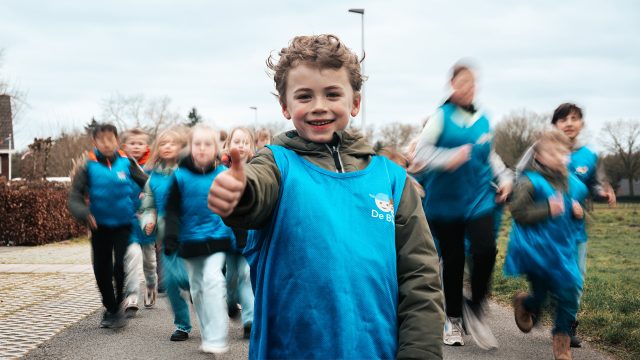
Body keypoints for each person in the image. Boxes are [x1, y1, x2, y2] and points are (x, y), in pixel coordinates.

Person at [208, 34, 444, 359]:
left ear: (355, 102)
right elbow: (255, 192)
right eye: (304, 96)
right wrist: (240, 194)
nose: (319, 105)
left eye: (332, 93)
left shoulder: (392, 180)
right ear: (285, 106)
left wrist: (421, 352)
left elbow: (420, 274)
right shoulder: (275, 164)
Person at [409, 63, 513, 348]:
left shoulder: (482, 119)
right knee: (453, 261)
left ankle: (476, 307)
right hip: (445, 202)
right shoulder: (440, 117)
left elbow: (490, 155)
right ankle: (452, 320)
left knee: (485, 249)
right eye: (463, 82)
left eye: (473, 82)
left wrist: (504, 177)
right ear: (452, 85)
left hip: (478, 197)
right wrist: (448, 158)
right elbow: (421, 153)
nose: (469, 87)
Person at [505, 130, 588, 360]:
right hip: (537, 252)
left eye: (563, 152)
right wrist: (547, 209)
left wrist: (580, 214)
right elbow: (518, 212)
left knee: (570, 290)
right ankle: (526, 302)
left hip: (563, 252)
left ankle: (561, 340)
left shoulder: (575, 185)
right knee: (542, 296)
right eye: (552, 152)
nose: (559, 157)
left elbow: (582, 214)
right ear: (539, 157)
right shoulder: (530, 182)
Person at [68, 123, 148, 328]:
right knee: (101, 269)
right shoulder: (88, 165)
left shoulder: (126, 162)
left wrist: (152, 198)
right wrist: (84, 213)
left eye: (111, 139)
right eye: (102, 140)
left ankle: (115, 309)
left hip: (124, 224)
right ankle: (111, 307)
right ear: (95, 142)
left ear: (116, 141)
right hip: (99, 226)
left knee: (120, 266)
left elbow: (147, 183)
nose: (107, 144)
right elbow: (75, 197)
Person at [164, 124, 235, 354]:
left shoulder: (223, 175)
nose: (202, 149)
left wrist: (241, 237)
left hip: (218, 237)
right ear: (190, 148)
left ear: (216, 149)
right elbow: (172, 210)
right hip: (190, 241)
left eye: (207, 144)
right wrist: (171, 236)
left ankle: (217, 336)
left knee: (213, 280)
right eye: (197, 144)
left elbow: (234, 208)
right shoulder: (179, 177)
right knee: (197, 288)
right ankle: (207, 333)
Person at [551, 103, 616, 346]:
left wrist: (604, 192)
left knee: (576, 279)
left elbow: (595, 183)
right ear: (554, 124)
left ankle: (567, 327)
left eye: (574, 118)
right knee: (552, 276)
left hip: (576, 229)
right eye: (563, 119)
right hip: (547, 228)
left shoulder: (589, 155)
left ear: (582, 124)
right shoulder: (544, 150)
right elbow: (526, 180)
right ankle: (533, 302)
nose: (569, 123)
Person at [139, 127, 193, 342]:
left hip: (190, 233)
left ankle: (199, 290)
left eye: (172, 143)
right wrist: (148, 221)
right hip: (165, 237)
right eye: (163, 143)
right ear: (157, 149)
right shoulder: (152, 177)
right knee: (171, 282)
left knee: (190, 278)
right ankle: (182, 325)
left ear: (182, 147)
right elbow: (147, 205)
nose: (167, 147)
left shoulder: (188, 172)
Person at [221, 126, 256, 339]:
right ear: (229, 145)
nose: (241, 146)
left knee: (245, 276)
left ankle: (249, 321)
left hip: (249, 237)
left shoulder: (258, 172)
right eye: (237, 141)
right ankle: (229, 300)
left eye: (245, 142)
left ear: (251, 148)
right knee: (230, 278)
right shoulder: (222, 173)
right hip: (227, 237)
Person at [120, 128, 157, 316]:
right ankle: (132, 295)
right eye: (132, 143)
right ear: (125, 146)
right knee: (132, 256)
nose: (136, 147)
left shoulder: (151, 167)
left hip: (146, 221)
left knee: (149, 260)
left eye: (140, 143)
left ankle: (151, 284)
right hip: (128, 220)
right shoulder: (122, 166)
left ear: (146, 146)